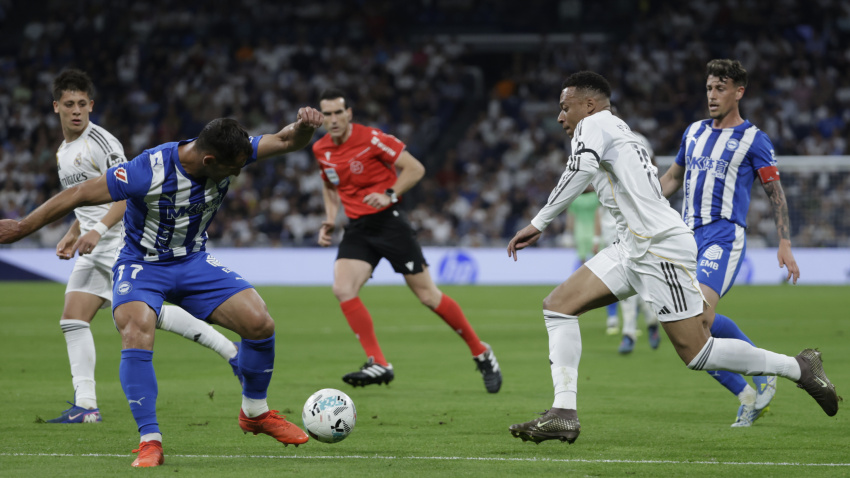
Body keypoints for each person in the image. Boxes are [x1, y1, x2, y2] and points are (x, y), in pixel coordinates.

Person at [505, 71, 839, 445]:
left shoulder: (593, 125)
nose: (560, 117)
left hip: (658, 246)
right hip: (633, 245)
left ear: (589, 104)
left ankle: (798, 367)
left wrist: (538, 223)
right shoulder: (619, 129)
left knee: (697, 353)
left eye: (565, 108)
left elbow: (579, 170)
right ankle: (563, 412)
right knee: (559, 306)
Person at [0, 110, 325, 467]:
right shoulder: (147, 169)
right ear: (208, 160)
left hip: (193, 261)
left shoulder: (236, 149)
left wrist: (305, 127)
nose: (237, 172)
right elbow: (78, 193)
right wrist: (21, 227)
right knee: (137, 329)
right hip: (142, 265)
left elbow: (286, 140)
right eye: (231, 168)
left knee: (260, 323)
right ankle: (150, 440)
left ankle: (255, 413)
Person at [46, 69, 242, 424]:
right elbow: (88, 198)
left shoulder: (102, 144)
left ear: (91, 105)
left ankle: (230, 351)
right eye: (68, 104)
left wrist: (98, 231)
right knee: (73, 318)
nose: (76, 111)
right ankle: (86, 405)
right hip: (94, 242)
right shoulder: (64, 151)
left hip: (120, 240)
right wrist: (76, 230)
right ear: (56, 106)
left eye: (82, 104)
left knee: (143, 312)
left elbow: (129, 193)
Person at [313, 88, 502, 393]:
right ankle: (378, 362)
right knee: (342, 288)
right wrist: (330, 218)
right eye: (327, 114)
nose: (333, 119)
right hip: (358, 229)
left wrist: (389, 194)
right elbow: (329, 184)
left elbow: (415, 168)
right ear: (321, 117)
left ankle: (481, 352)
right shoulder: (321, 149)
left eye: (338, 112)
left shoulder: (373, 139)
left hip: (389, 223)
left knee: (428, 296)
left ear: (349, 114)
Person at [658, 59, 800, 427]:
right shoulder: (693, 133)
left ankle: (765, 372)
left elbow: (776, 194)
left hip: (723, 235)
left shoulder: (755, 140)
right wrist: (642, 206)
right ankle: (747, 392)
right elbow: (673, 177)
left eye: (721, 88)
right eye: (709, 88)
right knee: (684, 325)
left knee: (701, 317)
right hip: (686, 236)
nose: (712, 95)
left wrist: (784, 242)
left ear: (739, 92)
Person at [596, 129, 661, 353]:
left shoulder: (637, 140)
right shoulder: (593, 141)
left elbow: (652, 167)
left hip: (636, 219)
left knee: (638, 276)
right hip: (610, 224)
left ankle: (637, 330)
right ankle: (639, 328)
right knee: (626, 278)